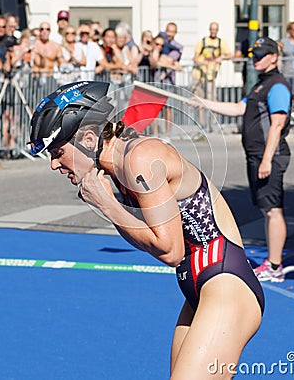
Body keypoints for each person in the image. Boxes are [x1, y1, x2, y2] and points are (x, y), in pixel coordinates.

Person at [28, 80, 264, 380]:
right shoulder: (118, 167)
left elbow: (170, 249)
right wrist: (109, 204)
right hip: (199, 288)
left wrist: (108, 204)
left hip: (226, 285)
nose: (53, 164)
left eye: (58, 151)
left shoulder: (140, 157)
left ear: (88, 138)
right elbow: (148, 237)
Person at [190, 37, 292, 282]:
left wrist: (267, 159)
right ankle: (271, 260)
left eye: (261, 55)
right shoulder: (260, 85)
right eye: (254, 55)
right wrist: (205, 103)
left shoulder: (277, 85)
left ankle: (275, 266)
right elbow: (239, 108)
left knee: (273, 210)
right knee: (267, 209)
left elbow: (277, 125)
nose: (256, 59)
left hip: (269, 156)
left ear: (274, 57)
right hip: (255, 155)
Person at [193, 21, 232, 101]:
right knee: (198, 99)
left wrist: (221, 58)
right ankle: (200, 114)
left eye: (215, 29)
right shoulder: (203, 41)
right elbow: (195, 58)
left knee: (211, 99)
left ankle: (211, 114)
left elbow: (230, 55)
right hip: (199, 75)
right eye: (212, 29)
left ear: (217, 30)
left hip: (210, 75)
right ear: (209, 30)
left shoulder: (221, 42)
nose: (213, 31)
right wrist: (202, 63)